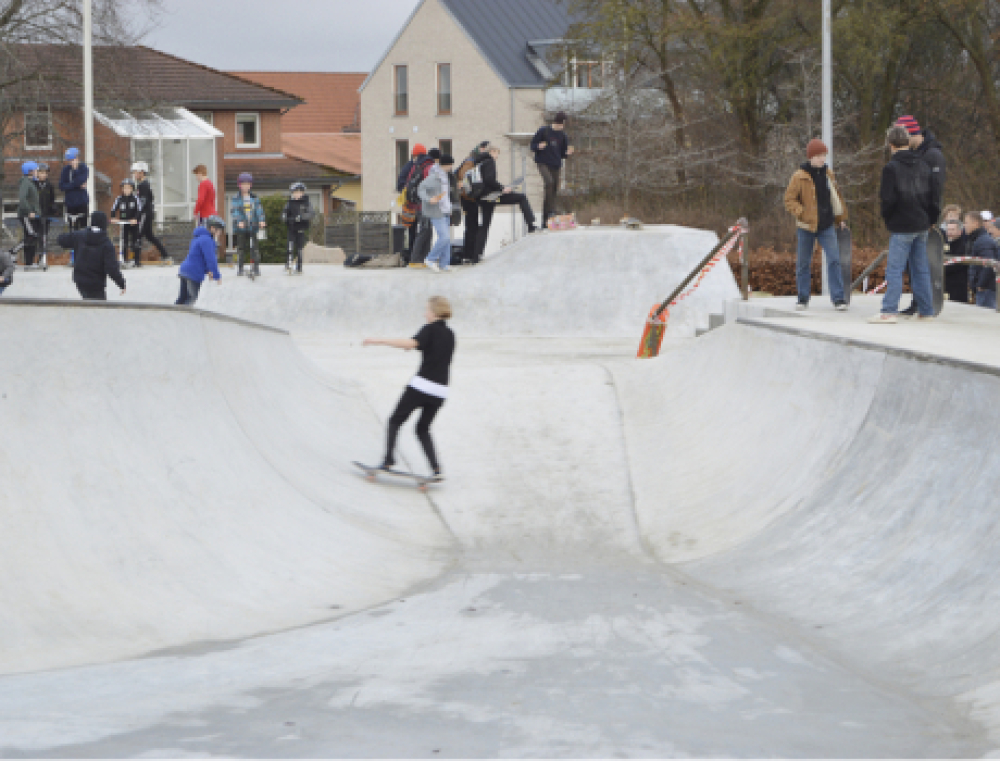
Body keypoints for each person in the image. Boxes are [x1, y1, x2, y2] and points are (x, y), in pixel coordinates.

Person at [363, 296, 455, 480]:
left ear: (434, 312)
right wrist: (412, 347)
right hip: (441, 391)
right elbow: (433, 352)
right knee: (422, 429)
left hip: (422, 387)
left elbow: (412, 343)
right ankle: (436, 469)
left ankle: (388, 461)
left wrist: (379, 341)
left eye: (426, 310)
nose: (424, 313)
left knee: (395, 421)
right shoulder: (450, 334)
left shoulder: (428, 329)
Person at [869, 125, 939, 323]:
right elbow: (934, 196)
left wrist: (888, 219)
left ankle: (889, 310)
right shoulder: (923, 165)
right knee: (921, 269)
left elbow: (887, 199)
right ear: (908, 142)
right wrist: (932, 219)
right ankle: (926, 310)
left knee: (895, 269)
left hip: (901, 224)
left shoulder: (891, 168)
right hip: (922, 223)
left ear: (890, 144)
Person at [782, 139, 849, 310]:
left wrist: (840, 218)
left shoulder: (829, 173)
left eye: (824, 156)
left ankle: (838, 298)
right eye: (819, 156)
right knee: (803, 263)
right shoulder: (800, 176)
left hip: (826, 225)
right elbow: (789, 199)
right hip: (806, 227)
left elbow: (836, 197)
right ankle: (803, 298)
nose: (822, 159)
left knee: (834, 260)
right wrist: (801, 213)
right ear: (811, 157)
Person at [896, 116, 947, 316]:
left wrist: (932, 217)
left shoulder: (933, 155)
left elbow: (936, 189)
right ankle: (917, 301)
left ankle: (925, 302)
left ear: (912, 134)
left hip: (925, 217)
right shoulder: (915, 153)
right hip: (912, 217)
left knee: (922, 262)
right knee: (912, 263)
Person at [471, 144, 537, 263]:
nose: (497, 156)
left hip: (481, 198)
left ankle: (476, 255)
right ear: (492, 152)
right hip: (491, 196)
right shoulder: (489, 161)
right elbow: (490, 180)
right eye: (497, 153)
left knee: (484, 225)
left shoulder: (478, 163)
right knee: (521, 197)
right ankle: (531, 225)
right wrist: (502, 188)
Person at [56, 211, 126, 301]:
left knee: (88, 301)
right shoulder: (107, 244)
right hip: (96, 283)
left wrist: (72, 234)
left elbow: (61, 240)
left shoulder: (79, 235)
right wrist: (121, 283)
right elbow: (111, 268)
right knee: (99, 308)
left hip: (80, 280)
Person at [530, 111, 574, 228]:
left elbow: (563, 153)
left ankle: (546, 218)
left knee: (553, 190)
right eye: (562, 125)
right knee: (549, 182)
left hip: (556, 164)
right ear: (558, 122)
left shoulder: (563, 135)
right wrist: (538, 146)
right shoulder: (543, 131)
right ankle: (551, 211)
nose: (562, 127)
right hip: (543, 162)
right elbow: (532, 145)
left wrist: (567, 153)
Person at [176, 215, 224, 306]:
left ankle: (171, 315)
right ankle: (183, 318)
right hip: (193, 273)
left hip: (185, 270)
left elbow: (198, 257)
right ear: (213, 228)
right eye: (219, 230)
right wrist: (217, 276)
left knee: (182, 299)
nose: (220, 232)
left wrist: (208, 271)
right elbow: (210, 259)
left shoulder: (198, 237)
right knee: (191, 298)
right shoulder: (207, 240)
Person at [419, 154, 456, 273]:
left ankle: (444, 264)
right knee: (444, 237)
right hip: (436, 210)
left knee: (446, 239)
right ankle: (430, 259)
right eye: (450, 165)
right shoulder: (434, 176)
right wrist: (429, 199)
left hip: (445, 209)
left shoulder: (446, 176)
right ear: (446, 165)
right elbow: (421, 188)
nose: (451, 167)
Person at [456, 141, 490, 264]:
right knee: (471, 227)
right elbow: (465, 181)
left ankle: (470, 254)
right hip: (468, 200)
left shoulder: (473, 161)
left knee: (473, 226)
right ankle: (468, 255)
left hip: (470, 199)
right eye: (482, 149)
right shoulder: (469, 162)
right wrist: (473, 194)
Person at [131, 161, 171, 264]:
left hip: (145, 214)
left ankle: (136, 261)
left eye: (136, 172)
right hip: (148, 213)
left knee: (138, 235)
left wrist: (137, 217)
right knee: (149, 236)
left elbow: (142, 203)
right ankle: (165, 255)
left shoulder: (143, 185)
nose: (134, 174)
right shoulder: (145, 184)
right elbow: (151, 198)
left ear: (142, 172)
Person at [230, 172, 266, 277]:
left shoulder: (254, 198)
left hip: (253, 226)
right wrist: (239, 221)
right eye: (243, 184)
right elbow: (234, 211)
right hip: (241, 227)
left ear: (250, 185)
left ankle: (256, 268)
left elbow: (259, 210)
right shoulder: (236, 198)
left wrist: (261, 220)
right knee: (241, 248)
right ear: (239, 185)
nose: (245, 186)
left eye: (247, 184)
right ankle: (240, 268)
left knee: (254, 248)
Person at [398, 144, 428, 262]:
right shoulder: (420, 167)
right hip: (415, 205)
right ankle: (415, 256)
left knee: (412, 231)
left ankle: (412, 256)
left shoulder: (408, 167)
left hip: (410, 205)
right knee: (419, 231)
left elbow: (400, 185)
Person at [965, 211, 999, 309]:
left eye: (966, 222)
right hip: (983, 288)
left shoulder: (983, 241)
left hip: (986, 289)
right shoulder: (977, 239)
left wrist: (981, 285)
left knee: (986, 317)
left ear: (975, 223)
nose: (965, 225)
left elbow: (989, 263)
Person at [283, 181, 313, 274]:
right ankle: (288, 264)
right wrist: (286, 218)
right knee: (290, 246)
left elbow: (310, 214)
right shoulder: (290, 203)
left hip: (300, 228)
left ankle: (299, 267)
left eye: (299, 192)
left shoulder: (305, 203)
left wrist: (301, 217)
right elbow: (284, 214)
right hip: (291, 228)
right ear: (292, 193)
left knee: (299, 248)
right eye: (295, 192)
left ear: (303, 193)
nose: (297, 194)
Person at [111, 178, 141, 267]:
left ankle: (136, 261)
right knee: (124, 241)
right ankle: (124, 260)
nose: (126, 190)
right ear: (122, 189)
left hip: (133, 223)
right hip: (124, 223)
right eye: (124, 188)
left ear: (132, 189)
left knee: (135, 241)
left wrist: (135, 219)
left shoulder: (135, 199)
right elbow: (113, 209)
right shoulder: (119, 199)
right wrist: (113, 217)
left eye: (128, 188)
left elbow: (139, 211)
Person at [59, 147, 89, 234]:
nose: (71, 162)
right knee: (72, 229)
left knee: (83, 228)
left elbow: (80, 180)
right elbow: (61, 186)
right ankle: (73, 246)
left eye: (73, 160)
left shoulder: (84, 168)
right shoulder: (65, 170)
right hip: (70, 202)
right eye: (69, 160)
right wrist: (75, 185)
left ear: (78, 158)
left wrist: (76, 170)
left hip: (81, 202)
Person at [18, 161, 41, 268]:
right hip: (27, 215)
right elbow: (22, 199)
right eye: (36, 170)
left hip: (33, 215)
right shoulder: (25, 183)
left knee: (32, 237)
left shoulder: (31, 182)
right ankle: (13, 252)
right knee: (31, 236)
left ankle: (30, 262)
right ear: (30, 171)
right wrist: (29, 211)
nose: (37, 172)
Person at [943, 218, 969, 304]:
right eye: (948, 229)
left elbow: (956, 264)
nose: (949, 232)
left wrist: (941, 268)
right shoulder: (943, 243)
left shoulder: (964, 246)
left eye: (952, 229)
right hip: (944, 283)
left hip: (958, 286)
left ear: (960, 231)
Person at [34, 162, 55, 269]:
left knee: (44, 237)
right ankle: (34, 259)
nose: (43, 175)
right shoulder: (34, 185)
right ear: (37, 174)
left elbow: (52, 200)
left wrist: (52, 210)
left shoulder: (49, 186)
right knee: (36, 237)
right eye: (41, 173)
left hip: (46, 215)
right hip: (36, 216)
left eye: (45, 173)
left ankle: (43, 259)